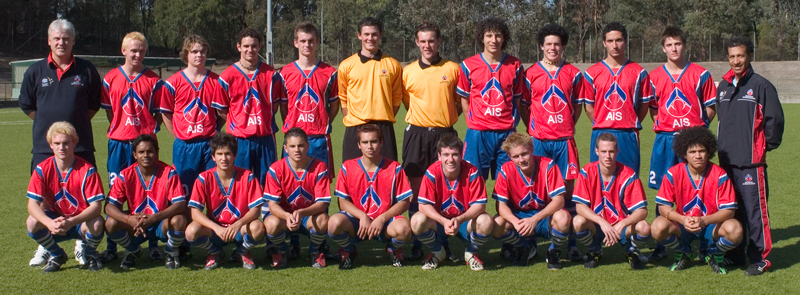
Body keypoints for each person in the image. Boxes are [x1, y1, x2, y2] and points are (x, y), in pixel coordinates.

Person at [19, 19, 102, 267]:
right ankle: (46, 247)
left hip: (81, 146)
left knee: (84, 198)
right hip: (45, 149)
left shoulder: (87, 70)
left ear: (73, 40)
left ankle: (82, 242)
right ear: (49, 41)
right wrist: (53, 134)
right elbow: (28, 106)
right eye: (56, 38)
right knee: (44, 202)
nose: (61, 42)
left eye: (66, 38)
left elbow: (93, 106)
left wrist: (70, 134)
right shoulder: (35, 71)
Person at [646, 27, 717, 261]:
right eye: (669, 45)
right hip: (666, 140)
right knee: (664, 192)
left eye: (677, 44)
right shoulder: (654, 76)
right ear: (663, 48)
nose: (673, 49)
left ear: (684, 46)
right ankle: (663, 244)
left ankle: (706, 242)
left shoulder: (700, 74)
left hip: (694, 141)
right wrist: (668, 126)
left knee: (702, 188)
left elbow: (710, 106)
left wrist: (697, 128)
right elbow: (654, 110)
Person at [716, 36, 784, 276]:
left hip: (751, 164)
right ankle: (735, 255)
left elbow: (774, 122)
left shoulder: (761, 85)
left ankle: (760, 258)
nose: (736, 61)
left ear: (749, 56)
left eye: (741, 56)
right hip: (726, 162)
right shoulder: (722, 87)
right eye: (732, 56)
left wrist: (764, 147)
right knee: (733, 212)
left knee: (755, 212)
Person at [519, 23, 584, 262]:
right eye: (548, 44)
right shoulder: (531, 73)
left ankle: (572, 244)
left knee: (568, 193)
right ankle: (533, 241)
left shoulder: (574, 73)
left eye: (557, 44)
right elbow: (524, 106)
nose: (553, 48)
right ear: (541, 46)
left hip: (564, 141)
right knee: (538, 192)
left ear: (563, 46)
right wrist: (534, 128)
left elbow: (577, 106)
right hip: (539, 141)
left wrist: (566, 125)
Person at [99, 31, 165, 264]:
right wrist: (122, 130)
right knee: (116, 195)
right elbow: (110, 113)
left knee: (153, 193)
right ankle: (112, 246)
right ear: (123, 50)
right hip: (119, 144)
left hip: (146, 145)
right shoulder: (110, 79)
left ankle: (154, 245)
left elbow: (158, 114)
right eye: (133, 50)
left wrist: (146, 133)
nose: (137, 54)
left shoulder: (153, 80)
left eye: (142, 51)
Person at [401, 22, 461, 261]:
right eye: (423, 41)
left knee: (444, 189)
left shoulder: (453, 68)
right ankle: (419, 239)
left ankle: (444, 240)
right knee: (415, 188)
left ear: (439, 42)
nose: (427, 45)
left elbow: (459, 101)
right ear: (417, 42)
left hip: (444, 133)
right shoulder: (408, 71)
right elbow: (406, 102)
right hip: (416, 133)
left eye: (431, 41)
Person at [651, 126, 742, 274]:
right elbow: (663, 207)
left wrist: (704, 221)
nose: (697, 155)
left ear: (708, 153)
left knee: (735, 230)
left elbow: (729, 211)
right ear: (685, 154)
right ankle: (684, 251)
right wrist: (681, 219)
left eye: (702, 151)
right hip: (683, 225)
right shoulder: (674, 173)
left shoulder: (719, 174)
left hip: (711, 225)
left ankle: (714, 252)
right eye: (692, 152)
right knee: (657, 228)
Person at [327, 124, 413, 269]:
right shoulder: (347, 167)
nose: (370, 146)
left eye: (373, 141)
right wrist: (362, 216)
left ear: (381, 143)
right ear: (359, 145)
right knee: (333, 224)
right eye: (365, 142)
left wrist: (382, 218)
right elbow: (342, 202)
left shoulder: (394, 168)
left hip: (385, 222)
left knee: (405, 230)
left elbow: (404, 202)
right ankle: (349, 250)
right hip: (357, 222)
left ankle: (392, 248)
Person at [25, 122, 105, 272]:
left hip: (79, 221)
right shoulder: (42, 169)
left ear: (74, 142)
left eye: (66, 143)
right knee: (32, 222)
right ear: (51, 145)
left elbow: (96, 207)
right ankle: (57, 254)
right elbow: (32, 205)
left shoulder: (87, 170)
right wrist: (49, 223)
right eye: (57, 143)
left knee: (97, 223)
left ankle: (89, 253)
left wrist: (71, 221)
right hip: (55, 221)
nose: (61, 147)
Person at [104, 134, 188, 270]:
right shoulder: (125, 175)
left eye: (150, 151)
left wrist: (154, 217)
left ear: (156, 153)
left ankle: (171, 252)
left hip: (160, 222)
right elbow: (109, 207)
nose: (146, 155)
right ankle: (133, 250)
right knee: (110, 223)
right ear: (134, 155)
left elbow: (180, 204)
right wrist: (128, 219)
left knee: (179, 219)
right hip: (137, 224)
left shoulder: (168, 172)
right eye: (141, 152)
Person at [411, 135, 493, 271]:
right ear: (439, 156)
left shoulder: (472, 172)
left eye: (455, 155)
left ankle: (471, 252)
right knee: (416, 221)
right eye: (446, 155)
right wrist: (443, 221)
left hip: (464, 223)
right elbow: (423, 205)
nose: (450, 160)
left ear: (461, 155)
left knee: (486, 221)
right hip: (440, 223)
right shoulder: (432, 172)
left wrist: (459, 220)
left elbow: (480, 205)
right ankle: (438, 251)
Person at [456, 17, 524, 180]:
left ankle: (505, 207)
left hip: (506, 132)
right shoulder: (469, 65)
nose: (494, 40)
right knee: (473, 180)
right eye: (489, 35)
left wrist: (510, 120)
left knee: (508, 181)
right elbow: (464, 99)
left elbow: (516, 99)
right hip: (478, 133)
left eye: (498, 35)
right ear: (482, 38)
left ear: (504, 38)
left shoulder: (514, 65)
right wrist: (473, 122)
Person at [185, 133, 266, 270]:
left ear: (235, 156)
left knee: (258, 227)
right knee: (191, 232)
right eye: (219, 154)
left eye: (228, 154)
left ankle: (242, 251)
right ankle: (215, 251)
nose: (224, 158)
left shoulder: (247, 176)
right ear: (213, 157)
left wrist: (238, 224)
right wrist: (216, 227)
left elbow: (256, 210)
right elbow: (195, 213)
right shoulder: (204, 178)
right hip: (216, 231)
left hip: (240, 229)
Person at [159, 34, 227, 196]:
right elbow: (166, 113)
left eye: (203, 51)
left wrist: (214, 129)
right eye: (195, 51)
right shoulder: (172, 83)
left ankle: (212, 221)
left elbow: (221, 113)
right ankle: (188, 221)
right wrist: (178, 135)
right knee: (184, 194)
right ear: (186, 54)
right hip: (185, 146)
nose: (199, 55)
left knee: (214, 191)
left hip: (210, 143)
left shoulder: (217, 82)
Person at [491, 133, 571, 269]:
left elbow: (559, 201)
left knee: (563, 218)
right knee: (496, 224)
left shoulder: (548, 166)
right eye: (516, 156)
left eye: (524, 154)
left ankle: (553, 251)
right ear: (510, 157)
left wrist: (534, 219)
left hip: (544, 217)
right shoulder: (506, 170)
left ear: (532, 150)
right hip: (520, 217)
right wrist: (515, 222)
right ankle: (524, 246)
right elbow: (500, 205)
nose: (521, 159)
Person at [572, 133, 650, 270]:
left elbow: (642, 211)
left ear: (617, 151)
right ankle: (594, 250)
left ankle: (631, 250)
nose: (607, 156)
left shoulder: (629, 175)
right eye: (603, 152)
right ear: (596, 151)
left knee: (643, 227)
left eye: (611, 151)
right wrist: (601, 221)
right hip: (597, 226)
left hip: (621, 227)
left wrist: (622, 224)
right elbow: (580, 207)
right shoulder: (587, 172)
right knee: (578, 221)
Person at [582, 22, 652, 175]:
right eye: (610, 41)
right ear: (604, 43)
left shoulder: (639, 73)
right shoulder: (591, 73)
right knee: (599, 182)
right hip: (601, 132)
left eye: (618, 40)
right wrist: (603, 122)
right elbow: (588, 108)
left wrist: (629, 121)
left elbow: (644, 106)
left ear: (625, 41)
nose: (615, 45)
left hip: (628, 134)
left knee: (629, 180)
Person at [218, 28, 285, 185]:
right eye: (246, 46)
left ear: (259, 46)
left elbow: (273, 106)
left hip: (266, 138)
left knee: (268, 184)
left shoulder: (271, 75)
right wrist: (240, 123)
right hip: (240, 140)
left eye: (254, 46)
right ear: (239, 47)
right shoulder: (227, 76)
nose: (250, 50)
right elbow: (222, 110)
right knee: (240, 185)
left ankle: (268, 211)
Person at [263, 128, 332, 269]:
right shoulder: (276, 169)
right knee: (270, 224)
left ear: (307, 145)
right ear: (285, 148)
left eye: (301, 145)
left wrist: (301, 213)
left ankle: (314, 251)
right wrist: (287, 215)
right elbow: (272, 205)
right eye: (292, 146)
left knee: (323, 220)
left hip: (307, 217)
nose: (297, 150)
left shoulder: (319, 167)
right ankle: (282, 251)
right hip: (284, 218)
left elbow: (323, 203)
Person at [337, 17, 403, 162]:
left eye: (374, 34)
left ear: (380, 35)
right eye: (366, 34)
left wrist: (383, 115)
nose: (370, 38)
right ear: (359, 35)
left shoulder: (393, 65)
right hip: (355, 126)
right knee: (353, 176)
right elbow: (343, 96)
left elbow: (397, 97)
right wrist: (353, 117)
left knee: (387, 174)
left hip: (383, 126)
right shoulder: (346, 65)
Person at [279, 21, 339, 176]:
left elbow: (334, 106)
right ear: (296, 43)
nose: (307, 45)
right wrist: (292, 125)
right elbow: (283, 107)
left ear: (317, 42)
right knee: (290, 184)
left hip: (319, 139)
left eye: (311, 40)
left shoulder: (330, 72)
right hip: (293, 139)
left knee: (321, 184)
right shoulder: (285, 73)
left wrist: (322, 120)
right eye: (303, 41)